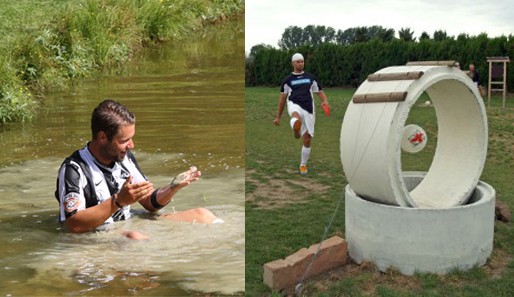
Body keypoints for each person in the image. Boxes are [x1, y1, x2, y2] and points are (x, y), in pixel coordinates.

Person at [55, 99, 221, 235]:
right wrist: (119, 201)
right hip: (98, 234)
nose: (131, 145)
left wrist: (172, 188)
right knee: (135, 236)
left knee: (203, 214)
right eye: (124, 140)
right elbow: (73, 225)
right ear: (102, 137)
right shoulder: (74, 169)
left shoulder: (124, 158)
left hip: (128, 224)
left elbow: (149, 203)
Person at [273, 53, 329, 175]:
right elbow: (282, 98)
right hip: (294, 103)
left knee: (307, 139)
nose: (300, 63)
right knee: (295, 115)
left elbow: (319, 91)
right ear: (293, 63)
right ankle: (295, 127)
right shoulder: (287, 80)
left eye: (302, 61)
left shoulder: (310, 78)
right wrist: (278, 116)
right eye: (298, 62)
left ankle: (303, 165)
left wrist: (324, 101)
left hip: (309, 108)